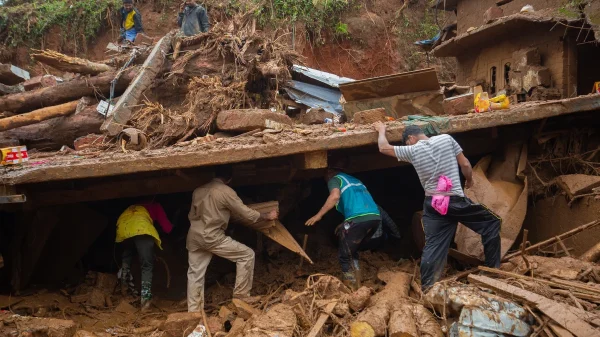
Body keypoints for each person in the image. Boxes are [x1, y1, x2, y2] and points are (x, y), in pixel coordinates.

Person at [373, 122, 501, 290]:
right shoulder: (446, 139)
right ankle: (491, 273)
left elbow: (383, 148)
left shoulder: (412, 150)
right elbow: (465, 165)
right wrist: (469, 180)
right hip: (453, 199)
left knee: (433, 245)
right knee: (491, 222)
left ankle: (428, 287)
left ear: (410, 139)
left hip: (434, 205)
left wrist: (381, 131)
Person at [186, 166, 278, 312]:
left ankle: (194, 311)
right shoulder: (226, 192)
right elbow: (245, 213)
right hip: (212, 237)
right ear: (229, 179)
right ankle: (241, 297)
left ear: (215, 174)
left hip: (194, 236)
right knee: (247, 255)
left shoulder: (198, 190)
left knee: (195, 273)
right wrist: (267, 216)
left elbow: (192, 215)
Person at [306, 163, 381, 289]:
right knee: (352, 250)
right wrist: (345, 223)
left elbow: (335, 196)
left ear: (329, 172)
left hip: (358, 219)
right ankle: (358, 280)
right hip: (374, 218)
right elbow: (359, 204)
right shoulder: (354, 180)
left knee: (344, 255)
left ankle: (351, 285)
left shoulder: (335, 179)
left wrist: (318, 215)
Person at [116, 201, 173, 310]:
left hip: (123, 226)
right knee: (147, 266)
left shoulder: (133, 205)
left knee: (128, 255)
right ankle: (145, 302)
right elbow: (167, 228)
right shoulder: (155, 205)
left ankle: (123, 289)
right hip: (140, 227)